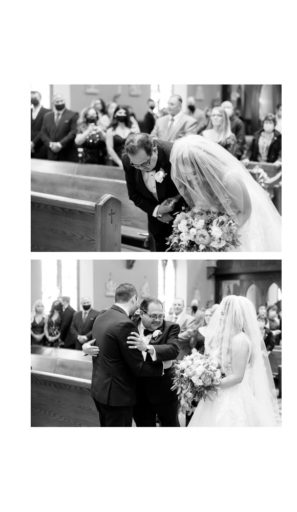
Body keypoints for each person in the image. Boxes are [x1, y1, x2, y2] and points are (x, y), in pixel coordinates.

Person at [169, 134, 282, 251]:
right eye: (186, 176)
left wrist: (222, 233)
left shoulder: (230, 179)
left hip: (244, 225)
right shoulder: (196, 181)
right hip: (220, 226)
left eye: (193, 173)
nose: (190, 179)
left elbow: (246, 211)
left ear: (202, 167)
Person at [188, 296, 278, 427]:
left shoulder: (240, 340)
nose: (220, 317)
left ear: (236, 316)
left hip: (231, 395)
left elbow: (237, 377)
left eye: (224, 314)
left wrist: (208, 385)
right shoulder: (226, 338)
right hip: (217, 392)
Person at [88, 283, 163, 427]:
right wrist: (162, 368)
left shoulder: (101, 316)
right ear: (134, 299)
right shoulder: (125, 324)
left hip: (100, 390)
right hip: (117, 396)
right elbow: (137, 367)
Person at [121, 133, 186, 251]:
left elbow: (189, 190)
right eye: (136, 165)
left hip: (183, 222)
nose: (142, 168)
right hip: (155, 221)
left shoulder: (173, 155)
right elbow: (134, 195)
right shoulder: (128, 160)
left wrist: (172, 214)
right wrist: (157, 211)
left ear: (154, 150)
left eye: (145, 163)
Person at [130, 298, 181, 427]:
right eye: (153, 316)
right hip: (138, 391)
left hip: (163, 390)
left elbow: (173, 349)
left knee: (170, 425)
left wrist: (148, 348)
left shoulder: (170, 327)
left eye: (160, 316)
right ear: (141, 314)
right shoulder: (128, 324)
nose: (158, 320)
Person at [34, 95, 78, 161]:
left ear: (64, 102)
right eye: (57, 101)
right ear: (53, 103)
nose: (60, 103)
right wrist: (50, 144)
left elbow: (73, 132)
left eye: (61, 101)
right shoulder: (47, 116)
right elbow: (43, 133)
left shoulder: (73, 114)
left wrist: (60, 144)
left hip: (67, 152)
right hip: (51, 153)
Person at [30, 91, 50, 159]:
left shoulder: (48, 112)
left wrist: (33, 143)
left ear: (40, 98)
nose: (33, 99)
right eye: (31, 97)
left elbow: (44, 130)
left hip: (41, 146)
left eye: (35, 97)